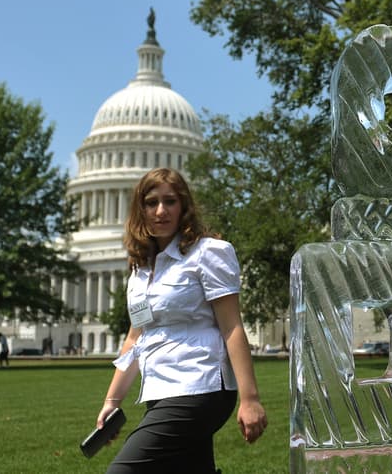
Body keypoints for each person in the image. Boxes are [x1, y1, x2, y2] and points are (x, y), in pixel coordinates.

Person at [94, 167, 266, 472]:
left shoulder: (208, 253)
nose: (161, 211)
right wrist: (113, 401)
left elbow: (232, 327)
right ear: (140, 209)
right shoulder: (141, 269)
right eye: (151, 202)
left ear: (184, 206)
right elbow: (136, 339)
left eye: (170, 201)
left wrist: (250, 398)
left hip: (201, 385)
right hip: (160, 389)